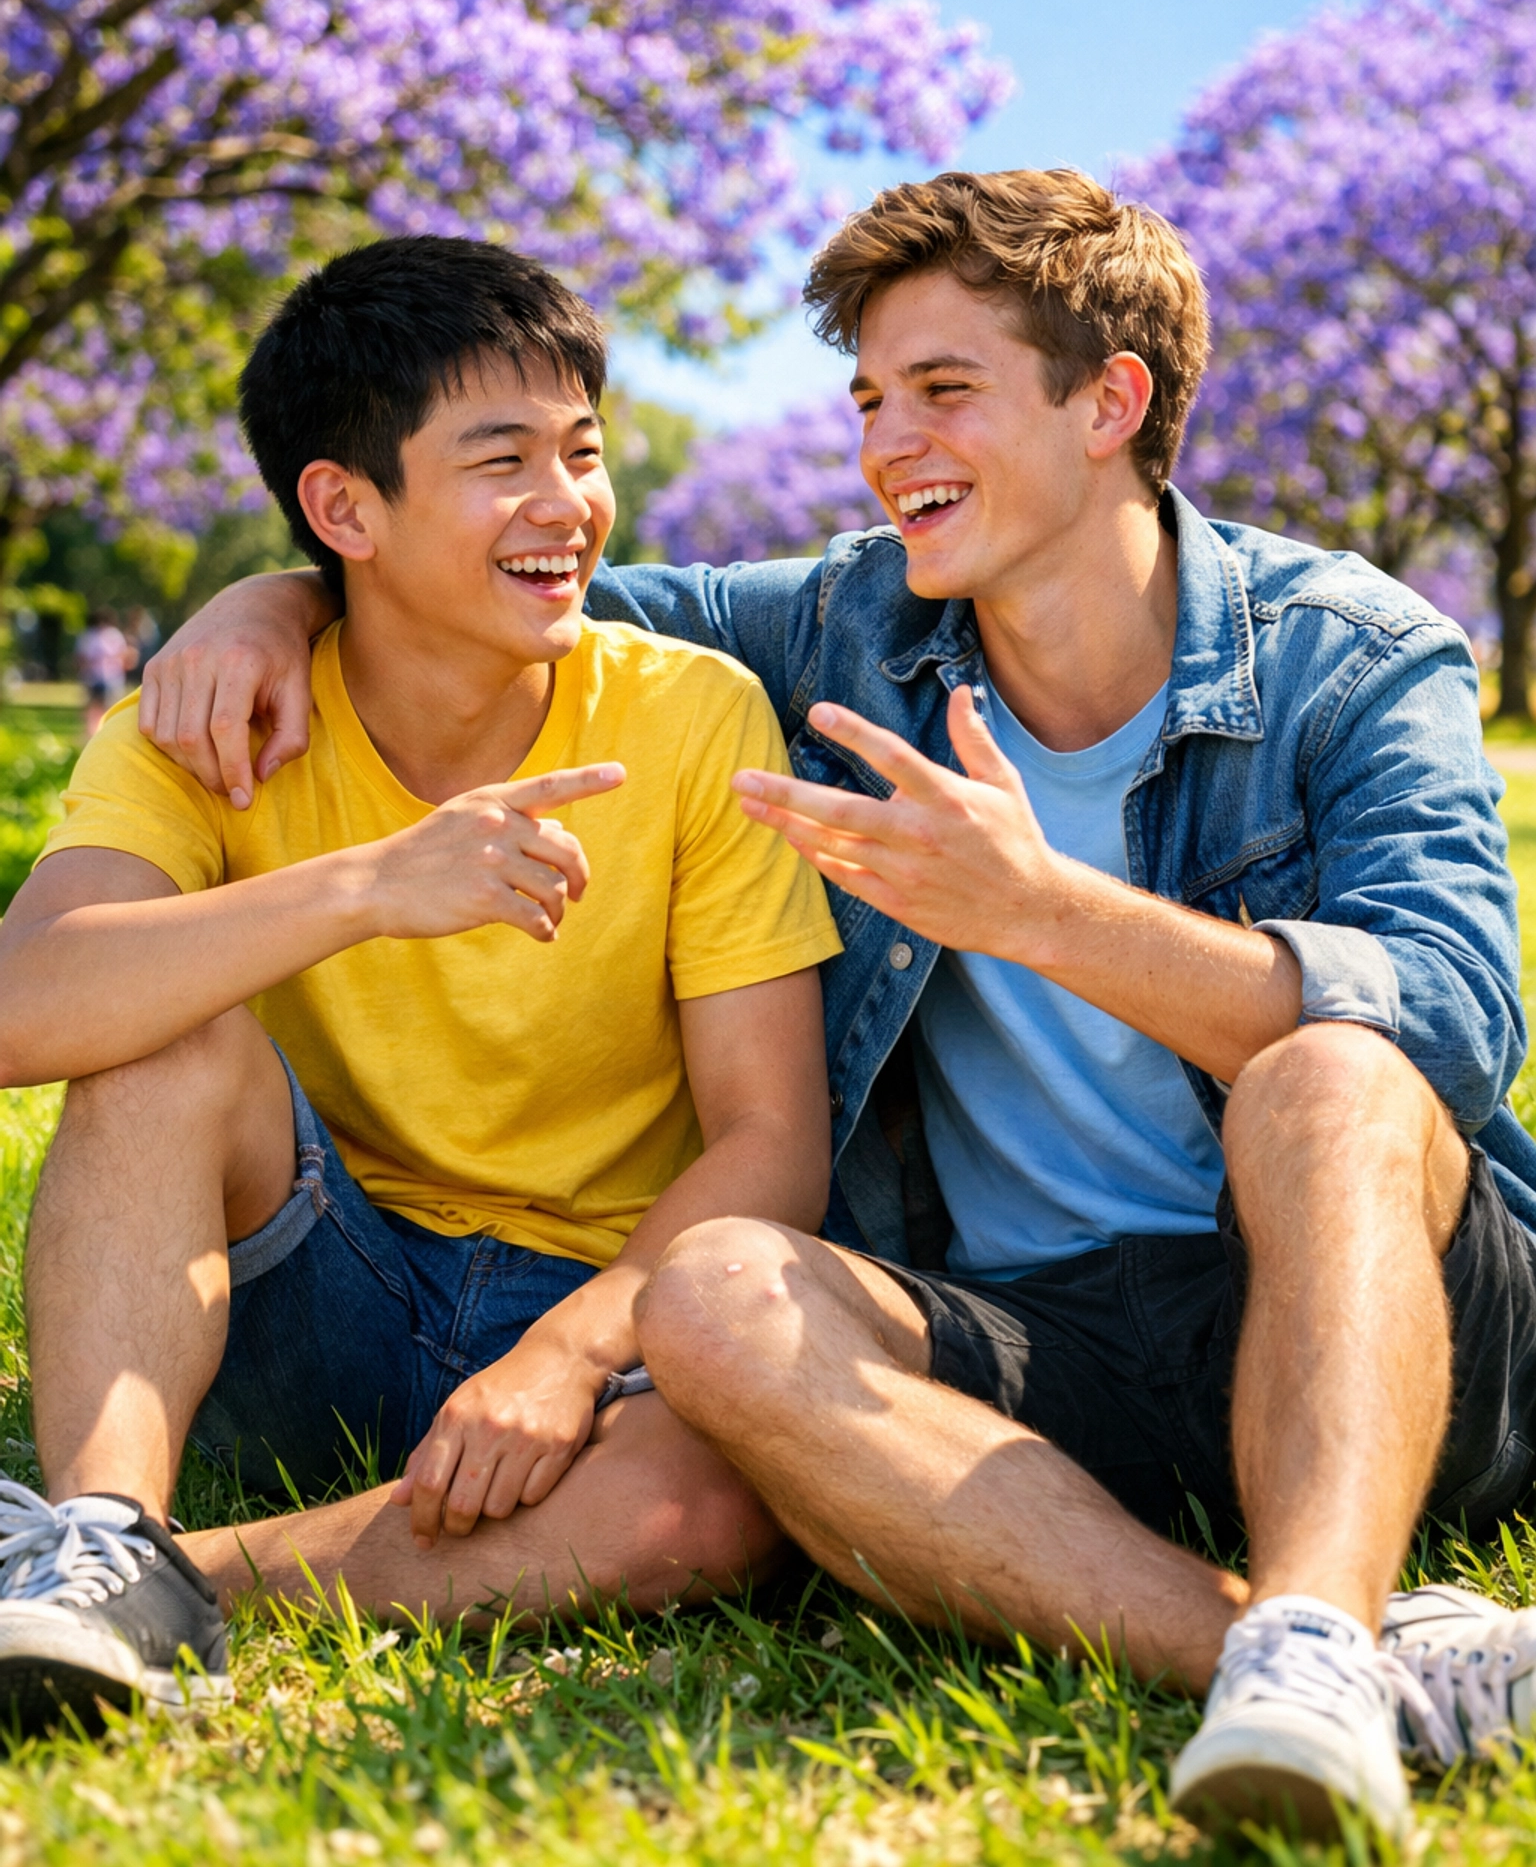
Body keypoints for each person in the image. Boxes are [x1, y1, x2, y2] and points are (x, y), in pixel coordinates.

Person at [139, 172, 1536, 1837]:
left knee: (1335, 1074)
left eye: (942, 390)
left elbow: (1451, 1015)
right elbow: (495, 579)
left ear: (1113, 400)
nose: (888, 445)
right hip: (1038, 1352)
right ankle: (1300, 1662)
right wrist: (274, 595)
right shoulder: (841, 624)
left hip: (1372, 1316)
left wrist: (1046, 914)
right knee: (717, 1291)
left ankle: (1317, 1608)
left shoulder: (1351, 654)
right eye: (871, 398)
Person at [0, 236, 840, 1736]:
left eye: (583, 451)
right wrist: (371, 887)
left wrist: (568, 1356)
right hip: (306, 1287)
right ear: (344, 508)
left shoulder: (695, 715)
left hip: (600, 1307)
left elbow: (769, 1136)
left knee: (717, 1503)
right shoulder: (206, 719)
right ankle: (102, 1528)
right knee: (154, 1034)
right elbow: (27, 1006)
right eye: (501, 458)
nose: (568, 506)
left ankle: (139, 1582)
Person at [75, 608, 133, 739]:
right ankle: (92, 733)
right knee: (93, 707)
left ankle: (107, 733)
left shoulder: (113, 635)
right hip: (94, 677)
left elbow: (123, 655)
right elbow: (81, 658)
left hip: (111, 677)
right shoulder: (89, 636)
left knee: (110, 707)